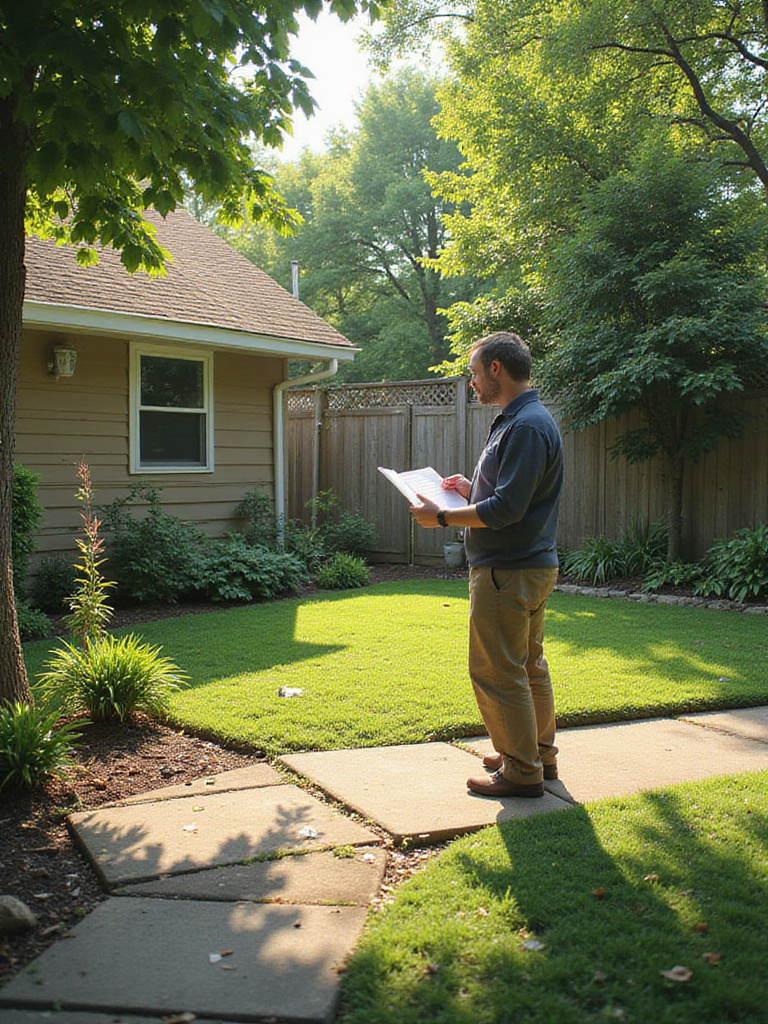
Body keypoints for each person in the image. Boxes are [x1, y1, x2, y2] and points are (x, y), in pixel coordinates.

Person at [410, 331, 563, 798]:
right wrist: (469, 487)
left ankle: (521, 769)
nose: (472, 382)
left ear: (496, 369)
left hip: (507, 569)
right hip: (524, 566)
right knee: (528, 664)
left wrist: (441, 516)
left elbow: (507, 510)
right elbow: (505, 494)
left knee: (499, 670)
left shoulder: (526, 426)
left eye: (475, 372)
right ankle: (536, 753)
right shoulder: (516, 421)